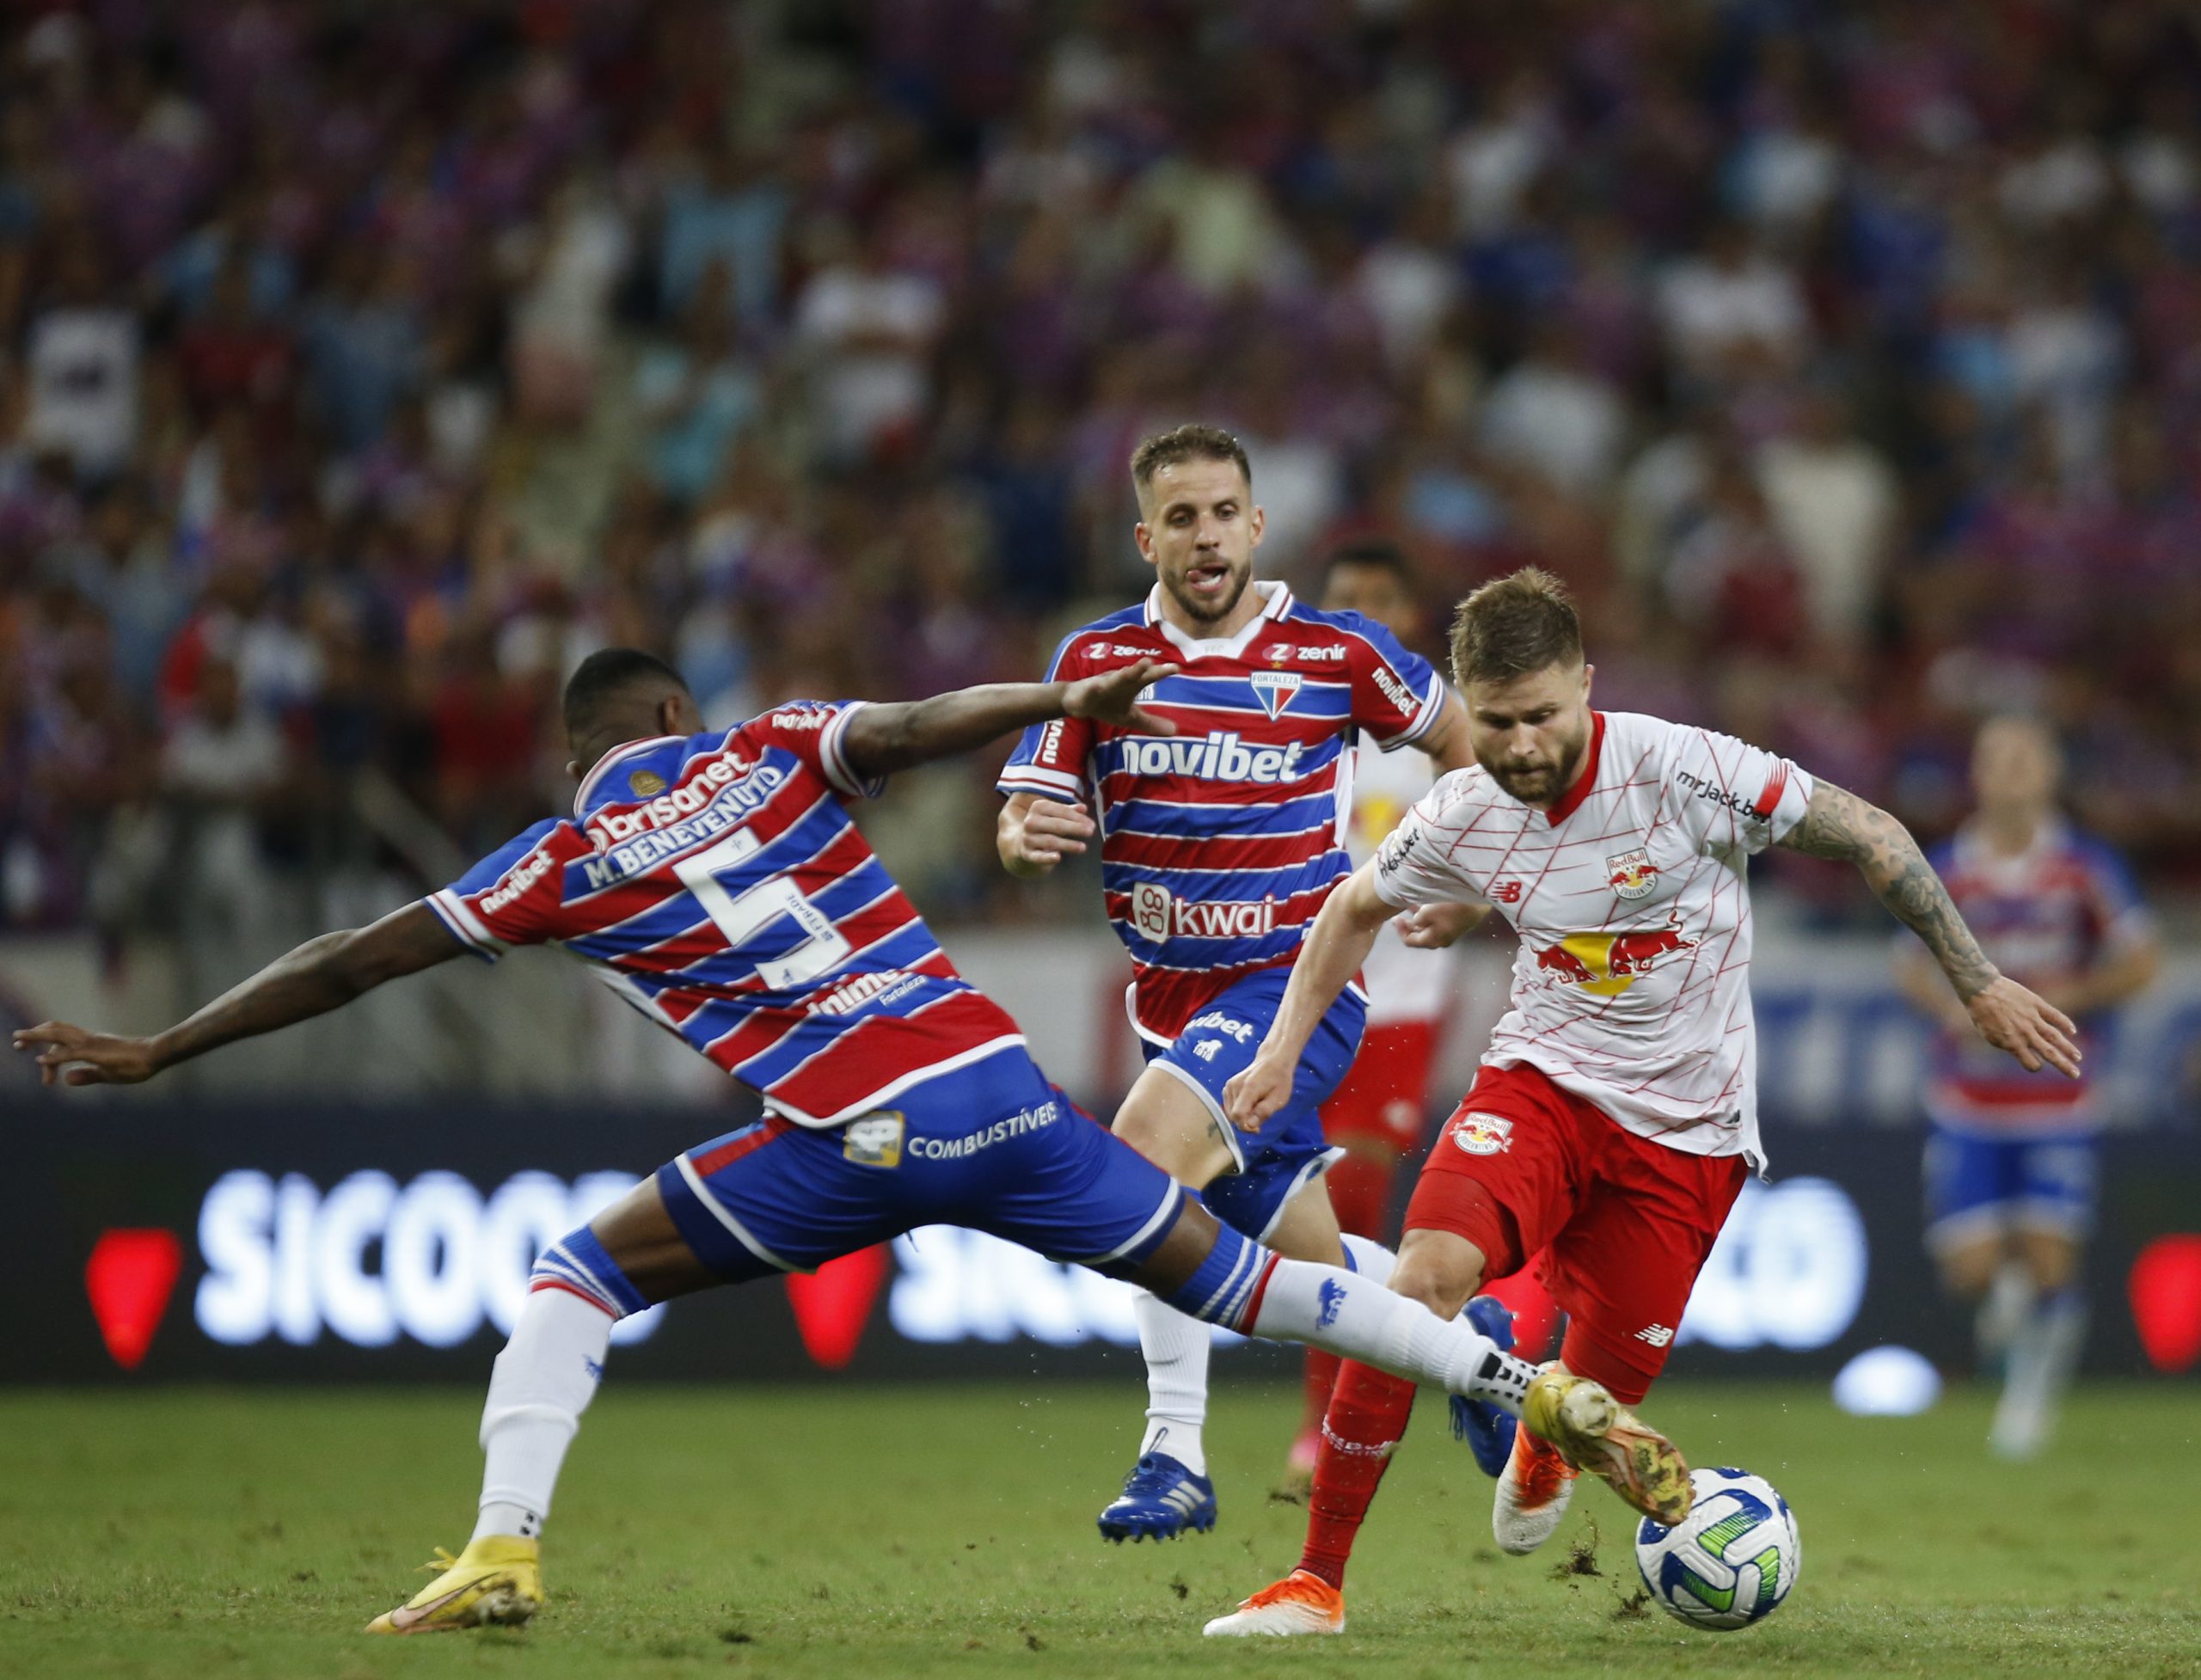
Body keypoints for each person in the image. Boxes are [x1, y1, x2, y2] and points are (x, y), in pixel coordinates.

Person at [13, 647, 1680, 1634]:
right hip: (1005, 1093)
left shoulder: (558, 851)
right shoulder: (757, 742)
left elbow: (359, 952)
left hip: (846, 1131)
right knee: (1258, 1282)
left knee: (578, 1270)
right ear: (677, 704)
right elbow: (913, 727)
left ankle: (502, 1546)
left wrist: (168, 1041)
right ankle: (1526, 1382)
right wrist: (1059, 692)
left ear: (582, 747)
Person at [1203, 568, 2080, 1636]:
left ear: (1587, 684)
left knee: (1595, 1400)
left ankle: (1540, 1440)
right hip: (1539, 1087)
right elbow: (1350, 909)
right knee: (1417, 1281)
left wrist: (1976, 979)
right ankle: (1316, 1579)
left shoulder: (1687, 769)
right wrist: (1283, 1052)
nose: (1520, 745)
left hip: (1688, 1135)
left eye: (1541, 717)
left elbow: (1872, 834)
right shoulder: (1463, 806)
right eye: (1494, 723)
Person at [995, 426, 1479, 1542]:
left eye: (1223, 512)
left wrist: (1470, 877)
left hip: (1297, 990)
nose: (1204, 534)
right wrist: (1027, 837)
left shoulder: (1336, 651)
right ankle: (1483, 1353)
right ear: (1146, 536)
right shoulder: (1094, 660)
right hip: (1173, 1005)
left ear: (1256, 526)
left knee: (1143, 1161)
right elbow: (1022, 815)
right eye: (1181, 516)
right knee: (1312, 1272)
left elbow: (1466, 748)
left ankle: (1173, 1453)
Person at [1286, 539, 1543, 1490]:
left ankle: (1323, 1424)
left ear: (1403, 613)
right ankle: (1456, 1345)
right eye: (1343, 597)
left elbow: (1501, 825)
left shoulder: (1440, 728)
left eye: (1378, 599)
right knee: (1288, 1210)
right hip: (1299, 1000)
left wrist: (1470, 898)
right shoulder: (1293, 715)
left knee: (1348, 1196)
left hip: (1394, 1004)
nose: (1360, 612)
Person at [1895, 714, 2157, 1458]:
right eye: (1996, 757)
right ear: (1975, 775)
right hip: (1968, 1101)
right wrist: (1955, 1007)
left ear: (2050, 772)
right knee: (1971, 1272)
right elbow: (1905, 962)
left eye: (2024, 757)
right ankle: (2005, 1322)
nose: (2010, 770)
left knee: (2049, 1260)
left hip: (2056, 1100)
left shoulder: (2085, 867)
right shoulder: (1946, 866)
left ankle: (2028, 1405)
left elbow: (2141, 962)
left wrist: (2065, 996)